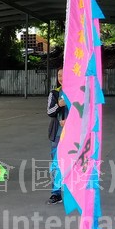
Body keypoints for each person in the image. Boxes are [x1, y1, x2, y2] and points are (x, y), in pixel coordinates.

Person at [46, 69, 68, 204]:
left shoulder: (78, 92)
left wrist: (70, 122)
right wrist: (59, 104)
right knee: (57, 163)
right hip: (58, 134)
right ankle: (56, 193)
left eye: (64, 75)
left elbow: (83, 112)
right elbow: (50, 111)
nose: (61, 78)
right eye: (59, 75)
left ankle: (75, 194)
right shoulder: (54, 93)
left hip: (74, 134)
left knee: (75, 163)